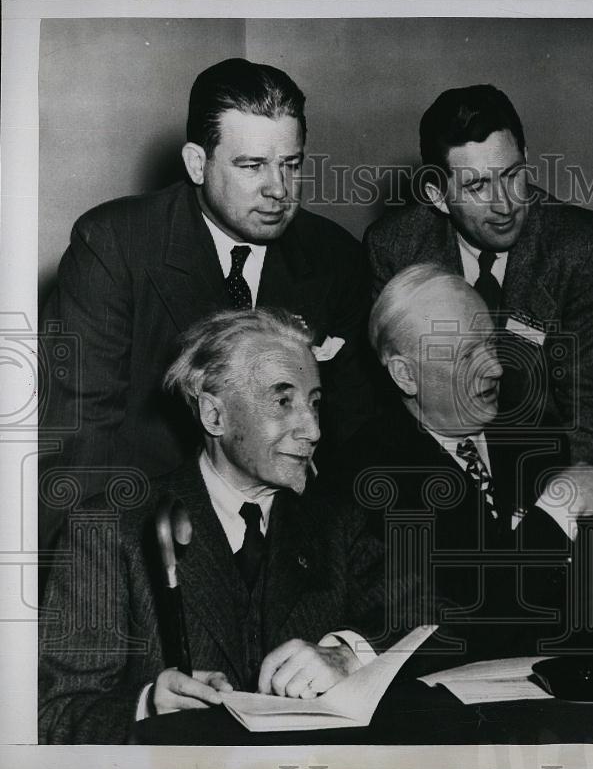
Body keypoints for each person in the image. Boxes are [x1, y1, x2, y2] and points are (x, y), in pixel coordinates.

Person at [39, 58, 372, 551]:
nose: (279, 190)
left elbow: (353, 434)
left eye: (292, 164)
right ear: (198, 163)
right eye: (252, 165)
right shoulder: (114, 244)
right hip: (150, 530)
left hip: (286, 539)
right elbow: (79, 442)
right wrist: (98, 575)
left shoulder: (335, 256)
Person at [38, 309, 389, 744]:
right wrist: (147, 707)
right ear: (214, 416)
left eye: (315, 403)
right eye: (283, 402)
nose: (313, 429)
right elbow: (55, 716)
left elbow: (429, 621)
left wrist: (348, 655)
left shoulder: (338, 521)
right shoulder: (106, 530)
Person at [351, 264, 593, 659]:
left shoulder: (535, 433)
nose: (495, 368)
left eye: (492, 345)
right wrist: (557, 509)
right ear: (405, 375)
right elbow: (463, 618)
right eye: (466, 356)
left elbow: (592, 591)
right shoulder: (368, 474)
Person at [364, 84, 593, 467]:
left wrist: (544, 517)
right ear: (437, 195)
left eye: (512, 175)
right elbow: (399, 410)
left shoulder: (585, 250)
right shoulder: (396, 248)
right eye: (477, 186)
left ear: (525, 157)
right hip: (444, 473)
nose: (505, 204)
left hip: (555, 473)